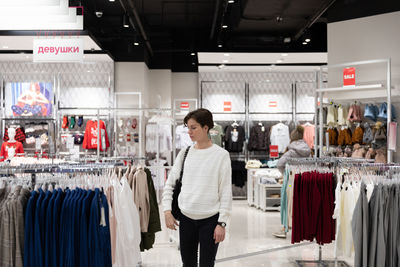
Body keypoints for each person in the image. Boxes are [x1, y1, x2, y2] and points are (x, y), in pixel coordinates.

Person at [162, 108, 232, 267]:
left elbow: (226, 192)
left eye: (194, 128)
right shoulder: (185, 153)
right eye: (188, 127)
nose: (189, 132)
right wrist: (167, 211)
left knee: (207, 263)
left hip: (210, 220)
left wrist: (222, 223)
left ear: (206, 128)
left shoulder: (221, 155)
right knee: (188, 263)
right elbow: (170, 184)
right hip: (186, 218)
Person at [273, 125, 311, 238]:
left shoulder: (291, 151)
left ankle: (285, 228)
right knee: (302, 203)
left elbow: (279, 164)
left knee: (286, 202)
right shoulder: (308, 150)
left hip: (290, 180)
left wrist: (285, 173)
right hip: (304, 179)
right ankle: (303, 228)